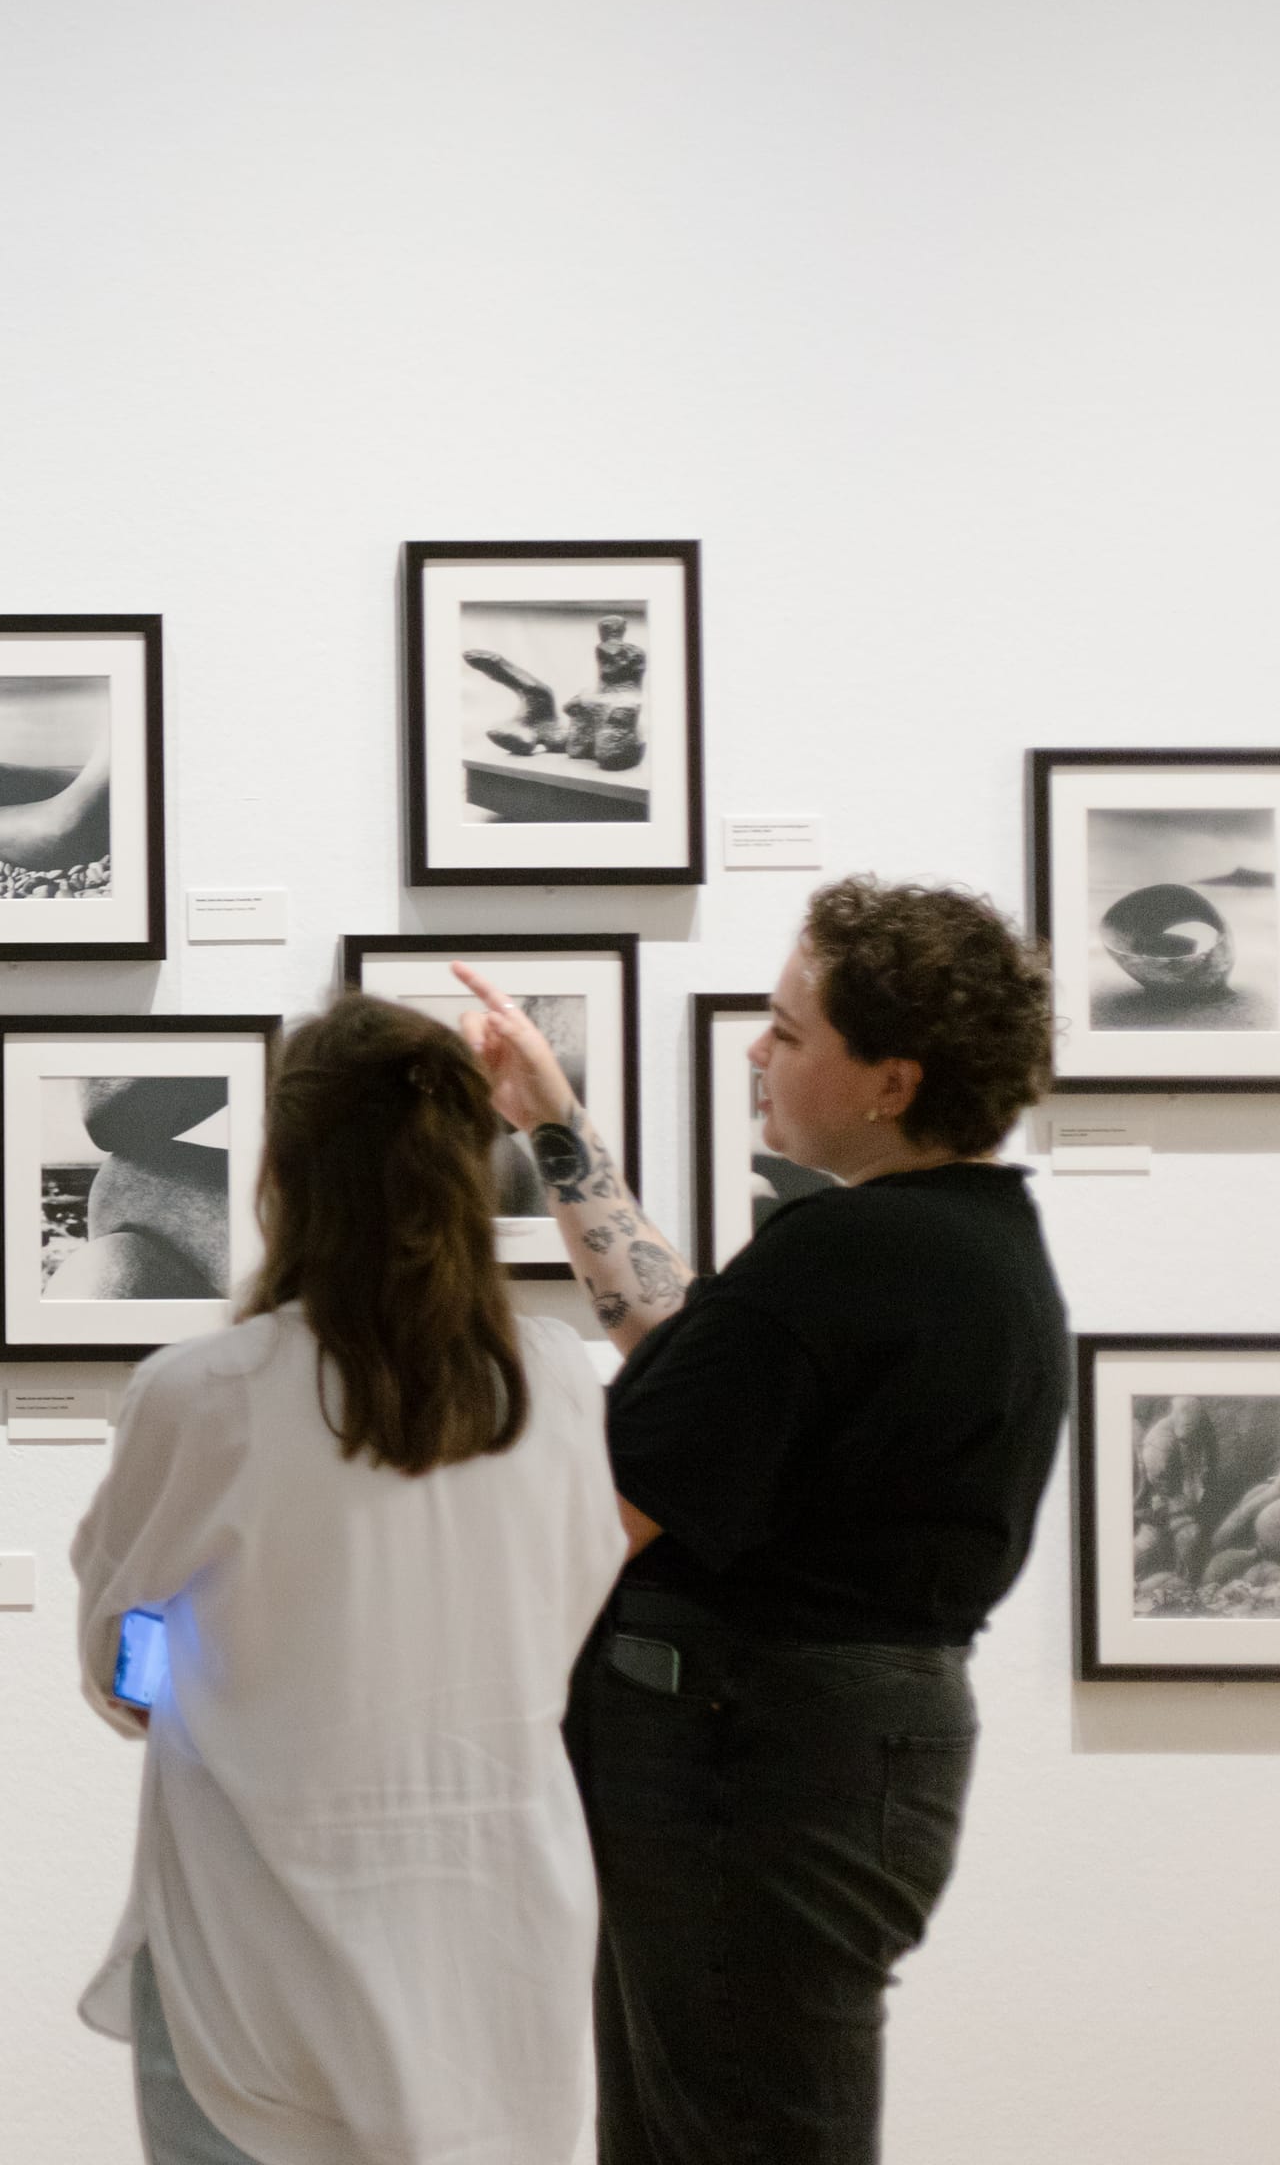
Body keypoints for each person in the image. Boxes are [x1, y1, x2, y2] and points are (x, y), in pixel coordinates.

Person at [456, 876, 1068, 2164]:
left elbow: (595, 1524)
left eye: (790, 1031)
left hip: (755, 1767)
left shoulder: (848, 1256)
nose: (757, 1048)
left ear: (890, 1080)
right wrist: (555, 1127)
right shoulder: (962, 1242)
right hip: (835, 1755)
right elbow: (688, 1347)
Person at [69, 995, 625, 2165]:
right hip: (501, 1948)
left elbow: (126, 1663)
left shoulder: (203, 1391)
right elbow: (574, 1609)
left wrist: (192, 1676)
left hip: (257, 1962)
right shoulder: (558, 1381)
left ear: (281, 1173)